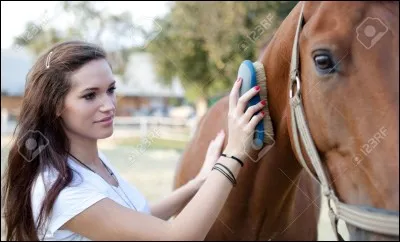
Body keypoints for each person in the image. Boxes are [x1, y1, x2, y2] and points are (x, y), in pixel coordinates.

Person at [1, 40, 268, 241]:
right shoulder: (61, 190)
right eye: (90, 95)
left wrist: (199, 183)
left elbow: (138, 219)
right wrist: (233, 153)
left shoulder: (91, 162)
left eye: (111, 90)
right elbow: (177, 237)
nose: (108, 105)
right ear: (56, 105)